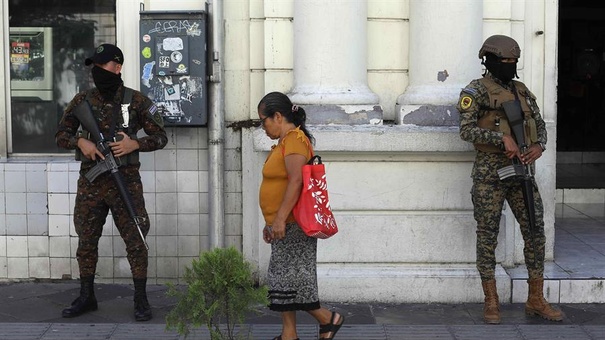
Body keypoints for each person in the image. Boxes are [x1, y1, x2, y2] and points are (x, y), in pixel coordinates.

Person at [56, 43, 167, 321]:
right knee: (86, 240)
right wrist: (79, 140)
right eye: (94, 66)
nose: (96, 72)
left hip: (125, 183)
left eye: (101, 66)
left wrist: (134, 144)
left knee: (136, 241)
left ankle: (140, 300)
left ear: (117, 67)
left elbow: (161, 136)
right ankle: (86, 296)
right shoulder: (82, 101)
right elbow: (60, 134)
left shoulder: (137, 101)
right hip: (91, 184)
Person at [457, 35, 563, 324]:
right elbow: (466, 131)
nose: (510, 66)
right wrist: (500, 138)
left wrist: (539, 145)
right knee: (487, 235)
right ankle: (491, 301)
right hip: (490, 174)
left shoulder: (521, 90)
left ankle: (536, 299)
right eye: (504, 62)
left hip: (522, 173)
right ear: (489, 61)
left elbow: (539, 123)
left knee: (535, 231)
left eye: (513, 62)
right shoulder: (475, 91)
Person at [257, 92, 345, 340]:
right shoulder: (284, 142)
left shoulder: (295, 140)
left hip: (293, 223)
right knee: (283, 283)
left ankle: (328, 319)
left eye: (263, 121)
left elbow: (296, 181)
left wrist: (280, 219)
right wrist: (271, 221)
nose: (262, 127)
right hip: (283, 222)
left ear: (277, 116)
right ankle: (289, 334)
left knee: (293, 282)